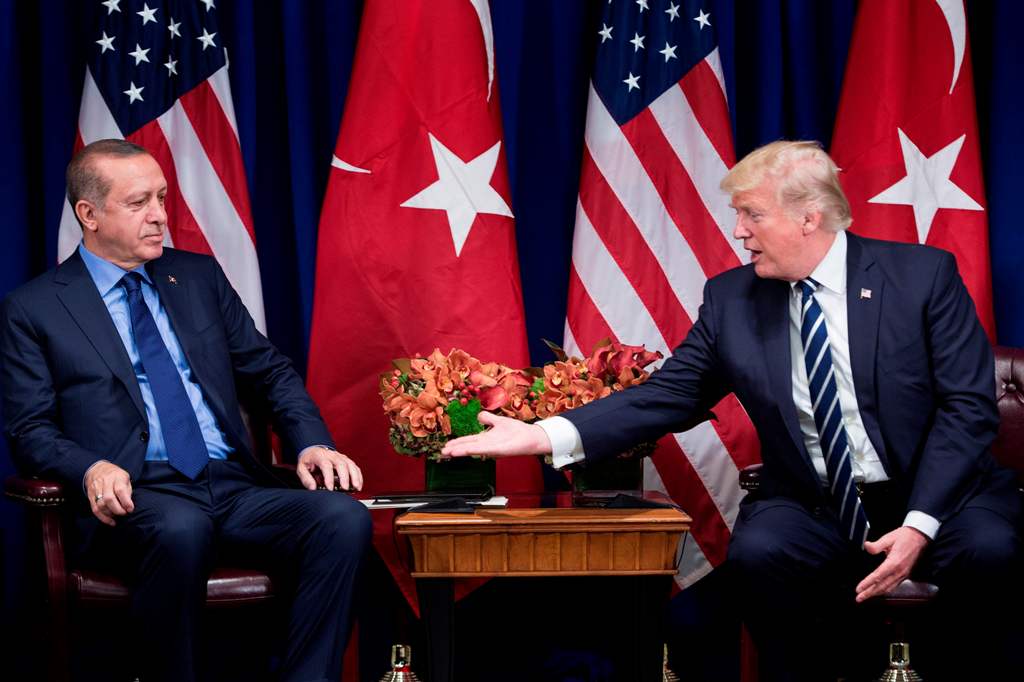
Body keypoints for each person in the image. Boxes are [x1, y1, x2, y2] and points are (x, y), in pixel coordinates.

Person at [442, 140, 1022, 679]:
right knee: (759, 551)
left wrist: (919, 524)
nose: (740, 232)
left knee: (990, 550)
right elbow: (667, 395)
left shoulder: (921, 277)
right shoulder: (732, 298)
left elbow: (967, 409)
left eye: (752, 215)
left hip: (936, 493)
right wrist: (541, 436)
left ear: (808, 218)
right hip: (813, 502)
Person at [1, 139, 372, 682]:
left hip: (232, 486)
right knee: (182, 528)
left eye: (162, 198)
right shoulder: (35, 308)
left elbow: (269, 371)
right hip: (136, 497)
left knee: (342, 519)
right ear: (89, 214)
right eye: (137, 203)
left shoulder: (197, 277)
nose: (158, 216)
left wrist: (311, 441)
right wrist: (90, 468)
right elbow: (29, 429)